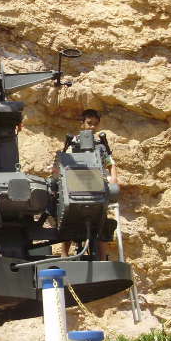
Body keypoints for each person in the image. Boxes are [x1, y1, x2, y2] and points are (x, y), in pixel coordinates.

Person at [61, 108, 118, 260]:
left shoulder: (101, 145)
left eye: (95, 124)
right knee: (70, 219)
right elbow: (63, 162)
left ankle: (102, 258)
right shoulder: (73, 143)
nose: (92, 126)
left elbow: (110, 163)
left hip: (97, 187)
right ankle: (64, 254)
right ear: (82, 123)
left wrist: (113, 179)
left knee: (101, 220)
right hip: (76, 186)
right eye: (89, 123)